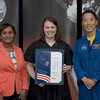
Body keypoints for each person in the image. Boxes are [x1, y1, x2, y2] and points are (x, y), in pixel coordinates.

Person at [24, 16, 73, 100]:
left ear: (56, 28)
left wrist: (66, 68)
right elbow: (29, 66)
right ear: (43, 29)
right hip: (40, 88)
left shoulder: (64, 46)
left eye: (52, 27)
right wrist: (37, 79)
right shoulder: (35, 45)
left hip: (59, 89)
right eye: (47, 27)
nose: (50, 30)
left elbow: (69, 66)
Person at [73, 10, 100, 100]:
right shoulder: (79, 43)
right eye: (85, 20)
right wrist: (84, 79)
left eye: (91, 19)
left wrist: (95, 78)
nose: (88, 23)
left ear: (96, 22)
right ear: (82, 24)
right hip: (84, 86)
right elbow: (76, 63)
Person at [0, 23, 28, 100]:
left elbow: (23, 71)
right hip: (2, 93)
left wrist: (24, 88)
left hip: (18, 92)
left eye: (10, 32)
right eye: (4, 33)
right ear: (0, 35)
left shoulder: (18, 50)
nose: (8, 35)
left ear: (14, 35)